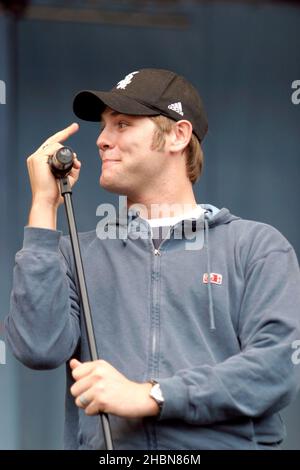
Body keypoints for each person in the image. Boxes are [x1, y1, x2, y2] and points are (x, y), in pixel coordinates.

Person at [5, 68, 300, 450]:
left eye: (122, 124)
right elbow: (37, 348)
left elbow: (277, 368)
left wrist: (153, 396)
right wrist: (44, 208)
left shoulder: (256, 247)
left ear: (178, 135)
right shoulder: (74, 253)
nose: (101, 140)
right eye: (103, 127)